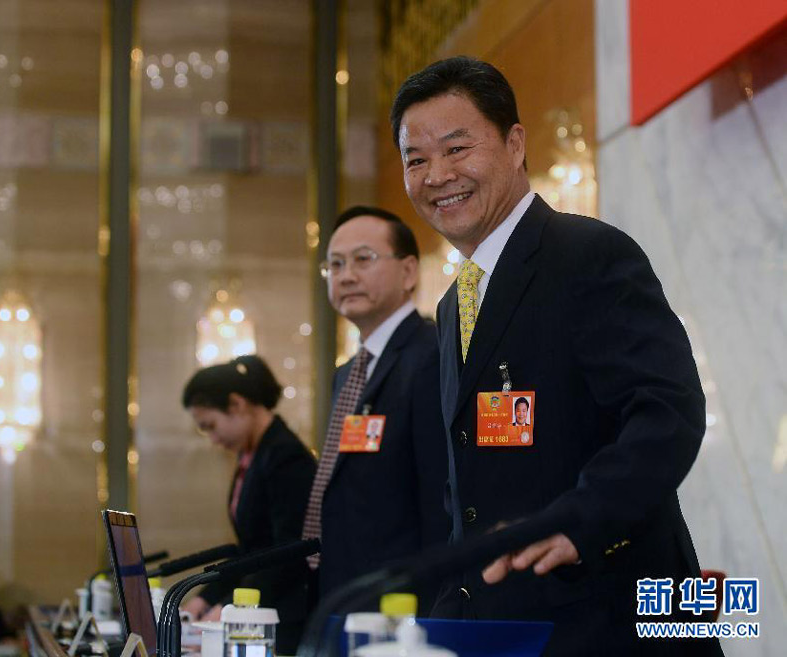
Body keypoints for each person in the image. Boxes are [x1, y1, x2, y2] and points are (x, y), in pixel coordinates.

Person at [392, 56, 721, 655]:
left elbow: (667, 409)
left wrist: (582, 518)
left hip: (611, 618)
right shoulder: (451, 305)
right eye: (416, 159)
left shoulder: (587, 254)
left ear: (515, 144)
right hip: (498, 626)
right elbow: (465, 486)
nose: (436, 174)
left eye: (457, 148)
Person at [302, 206, 449, 612]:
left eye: (363, 259)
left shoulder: (431, 357)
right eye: (335, 264)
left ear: (408, 273)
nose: (346, 275)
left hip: (402, 603)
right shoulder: (348, 373)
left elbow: (440, 500)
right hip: (345, 592)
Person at [180, 355, 316, 655]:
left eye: (211, 425)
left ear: (236, 404)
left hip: (280, 614)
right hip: (257, 605)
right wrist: (205, 599)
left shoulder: (285, 456)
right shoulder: (251, 456)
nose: (213, 439)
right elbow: (249, 551)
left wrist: (228, 608)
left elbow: (286, 551)